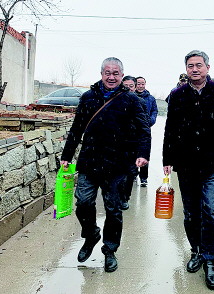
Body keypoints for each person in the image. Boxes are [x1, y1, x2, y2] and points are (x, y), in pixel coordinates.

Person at [60, 57, 151, 272]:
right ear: (101, 74)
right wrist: (67, 155)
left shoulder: (131, 100)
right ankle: (91, 234)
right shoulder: (89, 97)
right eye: (107, 73)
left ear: (122, 75)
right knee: (83, 203)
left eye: (116, 73)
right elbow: (77, 128)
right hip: (90, 161)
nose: (111, 77)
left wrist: (142, 153)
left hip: (118, 164)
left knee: (114, 210)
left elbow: (143, 129)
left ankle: (109, 250)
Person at [163, 50, 214, 290]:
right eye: (190, 66)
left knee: (211, 210)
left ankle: (210, 260)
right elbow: (170, 129)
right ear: (186, 69)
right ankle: (195, 251)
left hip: (213, 162)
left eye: (198, 65)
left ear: (207, 67)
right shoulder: (177, 95)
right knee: (190, 214)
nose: (194, 69)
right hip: (185, 164)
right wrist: (167, 158)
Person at [118, 75, 145, 210]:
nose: (128, 89)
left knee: (130, 173)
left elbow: (145, 127)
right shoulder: (114, 102)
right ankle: (116, 197)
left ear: (135, 88)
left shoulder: (140, 102)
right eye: (125, 86)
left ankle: (125, 197)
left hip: (133, 144)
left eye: (131, 86)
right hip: (116, 145)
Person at [135, 76, 158, 187]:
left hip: (145, 130)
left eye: (142, 83)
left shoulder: (151, 98)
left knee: (144, 153)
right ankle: (133, 173)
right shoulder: (131, 97)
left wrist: (150, 121)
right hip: (133, 130)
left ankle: (144, 178)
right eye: (138, 83)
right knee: (133, 152)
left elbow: (154, 111)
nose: (140, 86)